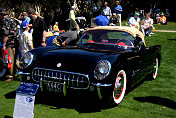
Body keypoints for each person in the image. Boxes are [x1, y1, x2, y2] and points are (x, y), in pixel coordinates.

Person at [0, 8, 19, 80]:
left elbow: (6, 33)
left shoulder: (5, 21)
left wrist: (4, 44)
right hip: (15, 42)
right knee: (14, 59)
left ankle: (9, 76)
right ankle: (15, 73)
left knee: (8, 59)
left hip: (9, 43)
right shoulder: (12, 20)